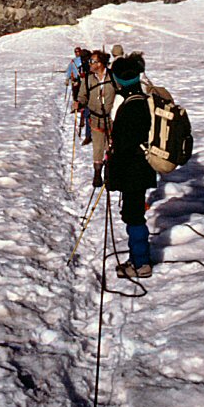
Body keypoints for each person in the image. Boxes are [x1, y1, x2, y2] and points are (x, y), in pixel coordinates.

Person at [107, 52, 157, 278]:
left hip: (132, 171)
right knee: (134, 213)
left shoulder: (129, 107)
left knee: (134, 214)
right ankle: (138, 258)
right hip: (143, 168)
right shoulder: (144, 101)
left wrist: (112, 176)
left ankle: (141, 263)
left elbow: (123, 148)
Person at [73, 50, 116, 187]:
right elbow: (82, 95)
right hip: (95, 118)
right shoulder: (88, 79)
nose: (90, 64)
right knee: (97, 147)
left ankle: (110, 174)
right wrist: (79, 102)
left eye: (93, 61)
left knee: (111, 146)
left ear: (101, 63)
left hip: (112, 119)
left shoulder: (113, 78)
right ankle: (97, 174)